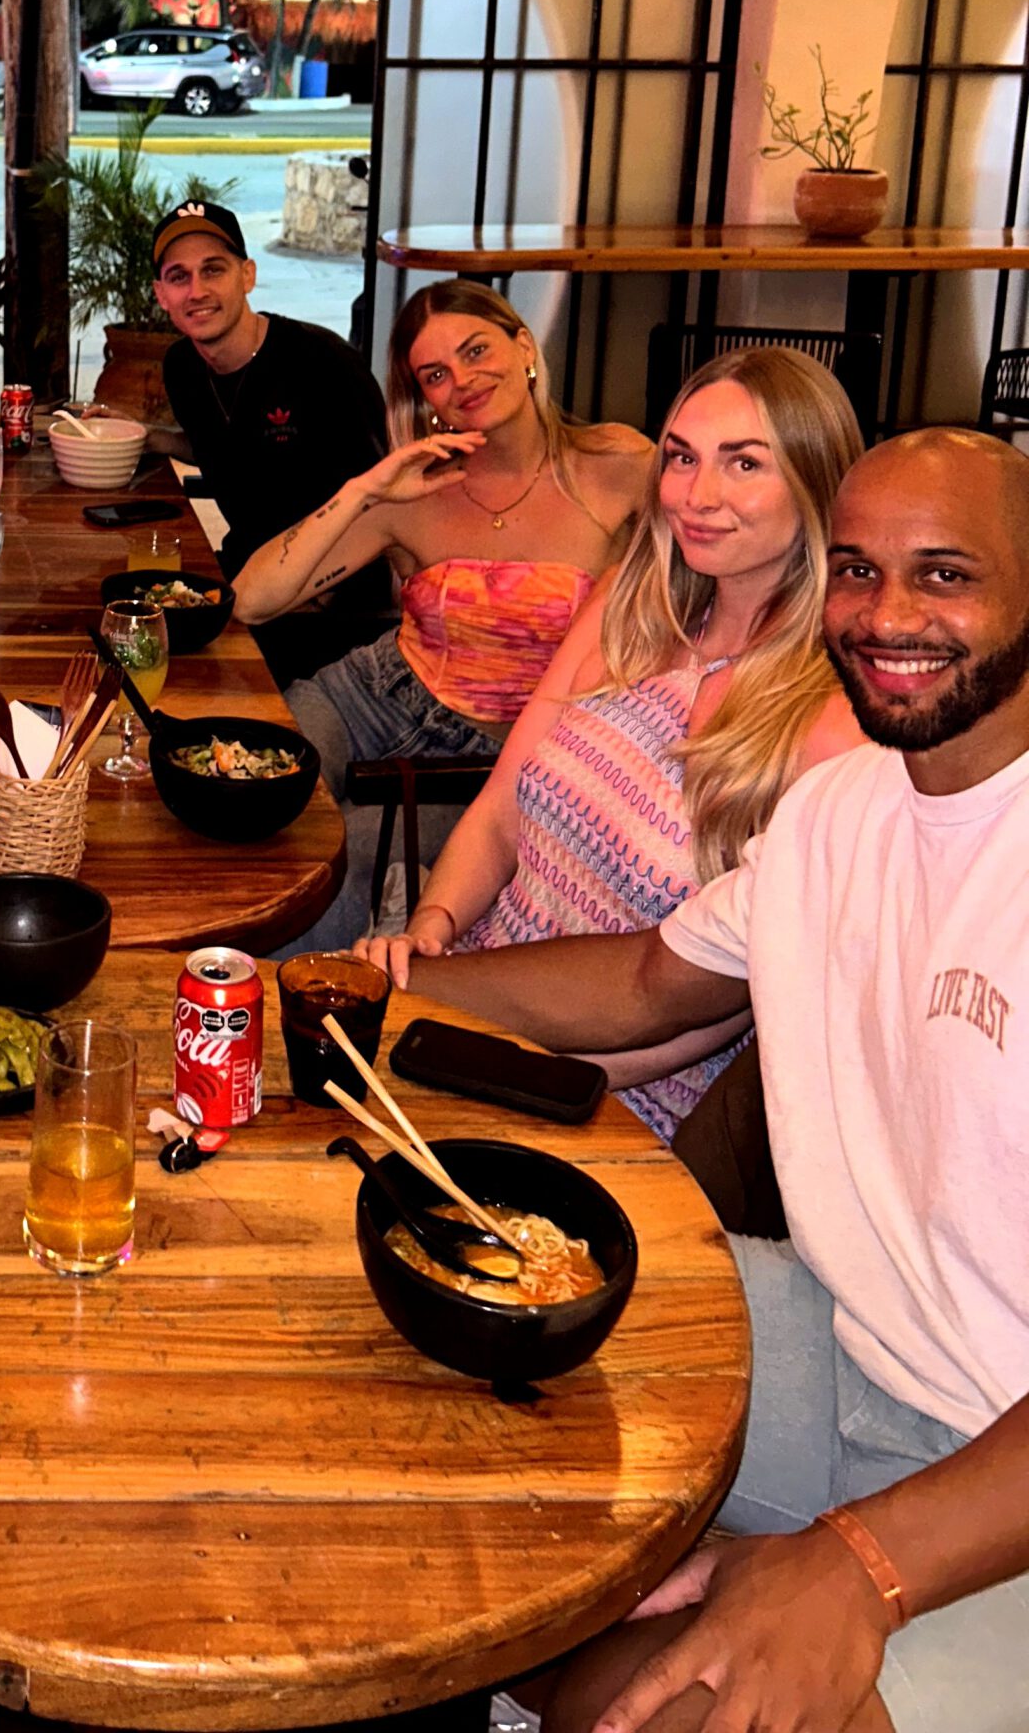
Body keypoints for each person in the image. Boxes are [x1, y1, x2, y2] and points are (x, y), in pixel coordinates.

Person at [402, 429, 1029, 1733]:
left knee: (656, 1713)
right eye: (856, 570)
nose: (887, 615)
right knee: (447, 1306)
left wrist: (863, 1565)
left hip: (998, 1474)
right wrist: (381, 994)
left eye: (944, 573)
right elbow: (645, 982)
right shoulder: (842, 809)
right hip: (844, 1340)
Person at [365, 348, 864, 1140]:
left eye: (744, 464)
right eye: (682, 458)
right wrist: (433, 923)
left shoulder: (834, 724)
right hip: (468, 997)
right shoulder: (627, 610)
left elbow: (726, 1007)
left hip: (613, 1096)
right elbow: (499, 812)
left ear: (816, 482)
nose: (698, 496)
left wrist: (496, 1059)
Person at [240, 281, 651, 941]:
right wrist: (364, 490)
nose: (462, 380)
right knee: (247, 788)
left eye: (476, 350)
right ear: (424, 398)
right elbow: (253, 600)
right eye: (435, 374)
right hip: (374, 696)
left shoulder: (618, 465)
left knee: (330, 858)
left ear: (524, 346)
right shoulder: (415, 492)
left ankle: (298, 995)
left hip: (499, 755)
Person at [153, 199, 395, 684]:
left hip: (335, 607)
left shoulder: (323, 363)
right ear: (162, 295)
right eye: (180, 276)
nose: (197, 291)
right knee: (128, 619)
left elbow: (383, 500)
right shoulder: (182, 368)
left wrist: (308, 594)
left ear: (247, 275)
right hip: (246, 574)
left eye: (213, 270)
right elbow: (231, 448)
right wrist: (151, 439)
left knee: (179, 671)